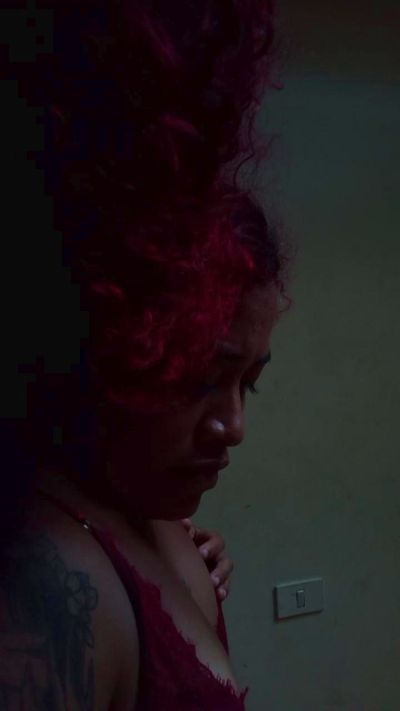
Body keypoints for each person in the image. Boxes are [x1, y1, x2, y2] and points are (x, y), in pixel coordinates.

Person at [0, 1, 294, 708]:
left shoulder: (164, 525)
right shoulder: (48, 578)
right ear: (122, 348)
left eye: (249, 384)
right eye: (202, 378)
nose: (233, 427)